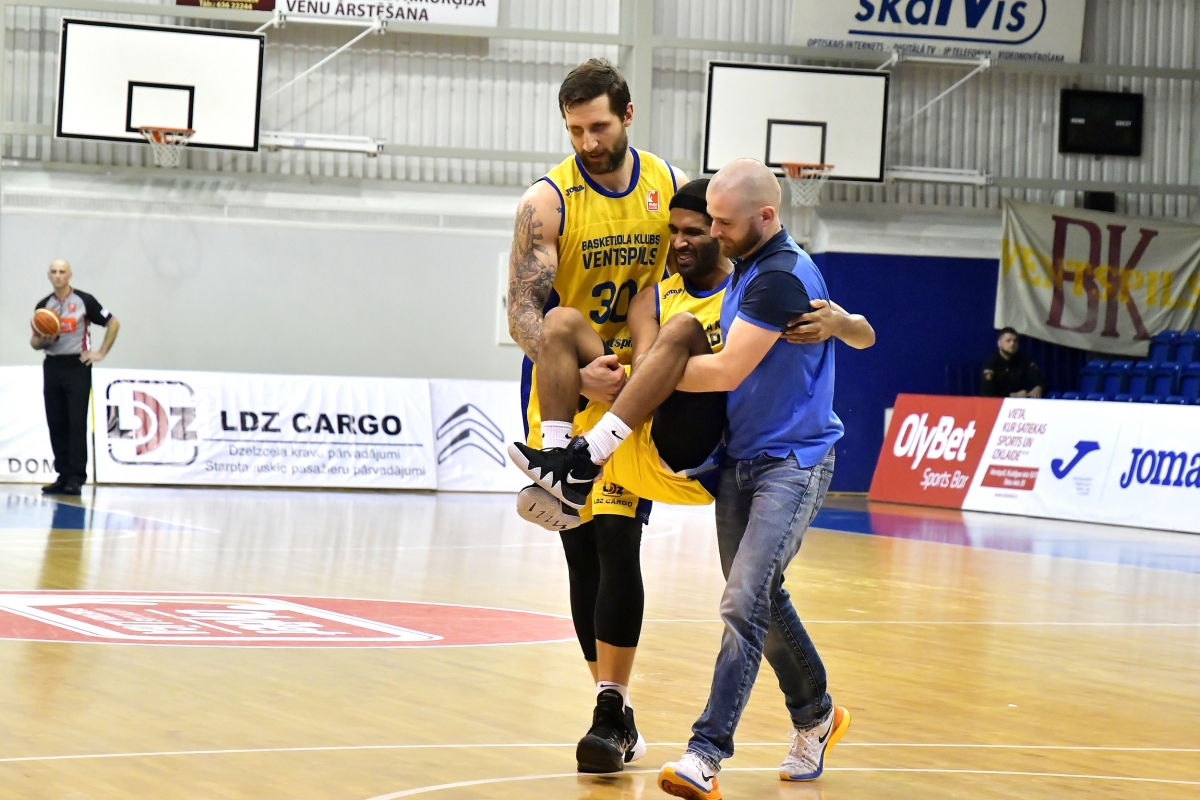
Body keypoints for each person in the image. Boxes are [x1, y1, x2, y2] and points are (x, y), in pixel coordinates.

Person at [512, 159, 871, 800]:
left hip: (788, 462)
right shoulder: (754, 266)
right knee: (762, 599)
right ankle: (817, 714)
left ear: (762, 218)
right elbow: (861, 329)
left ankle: (705, 754)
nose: (704, 235)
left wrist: (645, 378)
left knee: (739, 601)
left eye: (716, 225)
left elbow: (728, 371)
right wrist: (843, 325)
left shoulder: (776, 275)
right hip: (738, 458)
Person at [505, 57, 687, 775]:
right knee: (580, 554)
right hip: (567, 384)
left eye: (600, 126)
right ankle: (614, 707)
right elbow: (524, 308)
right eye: (576, 129)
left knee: (617, 540)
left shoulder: (668, 186)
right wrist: (577, 374)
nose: (588, 141)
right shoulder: (547, 201)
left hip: (635, 388)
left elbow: (685, 282)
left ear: (628, 115)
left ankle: (610, 710)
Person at [30, 259, 119, 496]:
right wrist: (44, 340)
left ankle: (76, 478)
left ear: (69, 275)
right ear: (48, 275)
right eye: (54, 272)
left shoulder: (84, 300)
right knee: (56, 421)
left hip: (77, 366)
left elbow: (113, 323)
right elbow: (34, 342)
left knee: (76, 422)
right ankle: (62, 475)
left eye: (62, 272)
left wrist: (100, 353)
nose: (58, 276)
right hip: (53, 365)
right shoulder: (43, 306)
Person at [981, 327, 1044, 398]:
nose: (1012, 344)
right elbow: (987, 393)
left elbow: (1041, 380)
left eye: (1015, 341)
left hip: (1021, 402)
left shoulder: (1024, 360)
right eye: (1008, 341)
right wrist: (1014, 395)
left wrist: (1039, 387)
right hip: (999, 403)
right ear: (999, 343)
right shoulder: (991, 363)